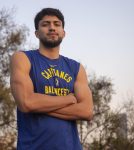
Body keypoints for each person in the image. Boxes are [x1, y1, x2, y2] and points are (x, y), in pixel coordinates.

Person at [10, 8, 93, 150]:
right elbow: (26, 103)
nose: (52, 27)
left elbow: (86, 111)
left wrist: (39, 105)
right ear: (36, 33)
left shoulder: (76, 68)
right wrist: (68, 99)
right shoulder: (23, 58)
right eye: (45, 24)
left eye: (57, 24)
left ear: (63, 32)